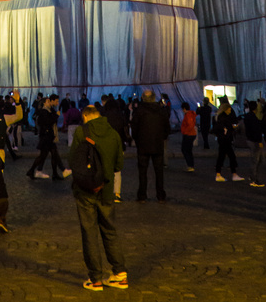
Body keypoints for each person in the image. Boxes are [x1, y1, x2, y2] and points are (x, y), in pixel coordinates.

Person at [68, 104, 127, 291]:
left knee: (90, 233)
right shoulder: (114, 134)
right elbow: (118, 165)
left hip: (86, 190)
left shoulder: (81, 132)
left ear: (85, 116)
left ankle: (95, 278)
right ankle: (120, 273)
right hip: (107, 190)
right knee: (110, 231)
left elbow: (72, 160)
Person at [130, 89, 169, 202]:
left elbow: (134, 128)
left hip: (143, 145)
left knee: (142, 172)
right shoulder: (161, 110)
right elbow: (167, 127)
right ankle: (160, 195)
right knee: (159, 172)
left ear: (143, 98)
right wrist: (162, 138)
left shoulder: (139, 111)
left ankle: (142, 195)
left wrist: (137, 140)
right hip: (157, 144)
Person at [26, 94, 71, 181]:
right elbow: (48, 122)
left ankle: (36, 171)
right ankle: (60, 171)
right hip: (46, 136)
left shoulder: (50, 110)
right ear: (45, 103)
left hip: (49, 136)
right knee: (51, 154)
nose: (57, 103)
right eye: (48, 101)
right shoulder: (44, 111)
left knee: (48, 155)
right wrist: (56, 116)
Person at [213, 100, 243, 183]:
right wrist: (232, 128)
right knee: (230, 156)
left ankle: (220, 174)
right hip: (225, 139)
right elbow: (226, 127)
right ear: (225, 109)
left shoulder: (220, 117)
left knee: (222, 156)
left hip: (223, 139)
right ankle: (233, 174)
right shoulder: (224, 118)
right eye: (229, 110)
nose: (230, 111)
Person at [244, 100, 266, 187]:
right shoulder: (254, 117)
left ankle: (252, 176)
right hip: (255, 141)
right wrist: (259, 141)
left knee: (255, 159)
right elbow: (256, 130)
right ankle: (254, 179)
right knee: (257, 160)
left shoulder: (248, 116)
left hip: (250, 139)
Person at [180, 102, 197, 171]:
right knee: (188, 150)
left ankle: (190, 165)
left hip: (188, 134)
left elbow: (190, 125)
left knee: (185, 150)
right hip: (191, 134)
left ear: (184, 109)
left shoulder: (188, 115)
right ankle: (190, 165)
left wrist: (185, 132)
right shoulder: (191, 114)